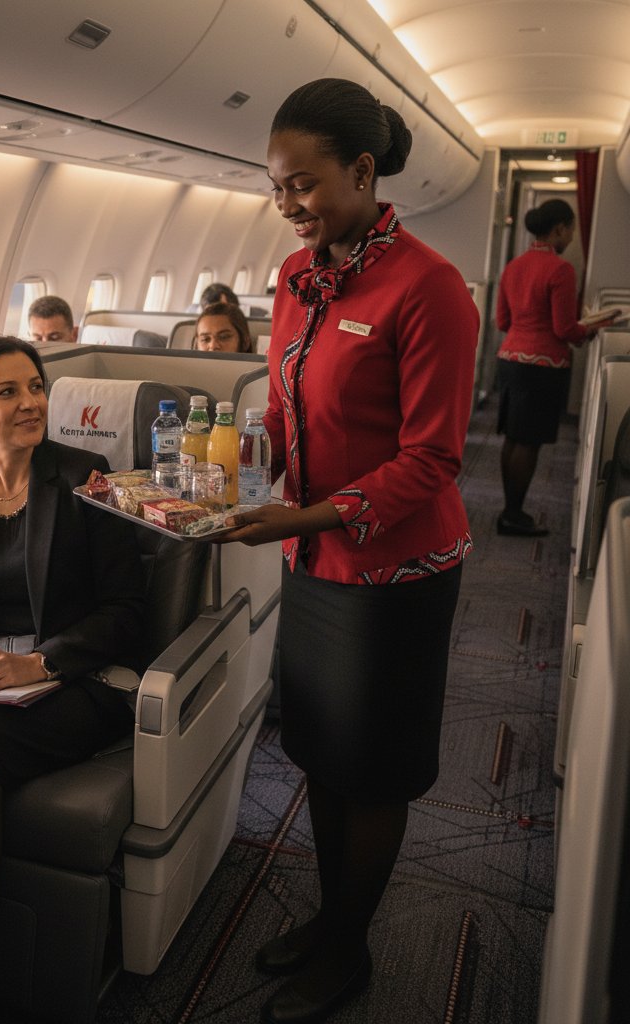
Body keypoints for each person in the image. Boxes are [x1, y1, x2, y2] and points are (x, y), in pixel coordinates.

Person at [216, 78, 478, 1024]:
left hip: (396, 572)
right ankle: (331, 921)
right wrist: (240, 478)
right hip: (316, 563)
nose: (286, 206)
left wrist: (305, 517)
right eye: (275, 188)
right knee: (323, 751)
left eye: (303, 185)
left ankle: (353, 946)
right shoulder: (294, 279)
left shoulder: (429, 288)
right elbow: (284, 409)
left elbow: (433, 459)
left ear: (363, 172)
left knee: (373, 768)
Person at [0, 334, 145, 1021]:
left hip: (86, 680)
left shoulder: (88, 474)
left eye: (35, 385)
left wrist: (44, 660)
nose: (31, 402)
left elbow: (127, 614)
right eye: (8, 392)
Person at [495, 198, 608, 536]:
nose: (572, 236)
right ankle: (513, 515)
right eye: (571, 228)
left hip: (510, 359)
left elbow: (502, 320)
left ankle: (509, 510)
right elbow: (564, 330)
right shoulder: (560, 269)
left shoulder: (514, 265)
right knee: (528, 443)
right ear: (559, 229)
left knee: (514, 438)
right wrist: (592, 326)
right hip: (543, 366)